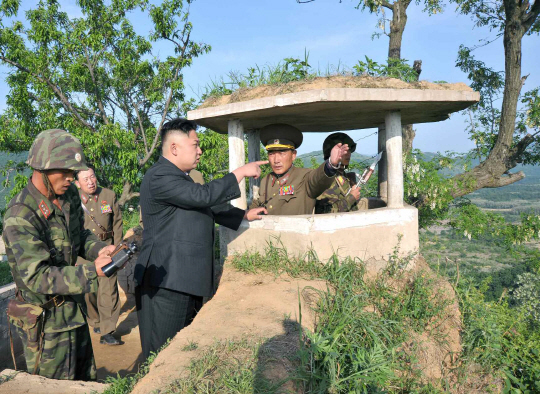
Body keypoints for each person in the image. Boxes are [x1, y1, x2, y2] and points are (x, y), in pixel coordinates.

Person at [134, 118, 267, 360]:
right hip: (166, 283)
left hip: (184, 280)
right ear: (174, 148)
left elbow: (205, 206)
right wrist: (239, 173)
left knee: (180, 354)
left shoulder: (180, 178)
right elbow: (202, 196)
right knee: (161, 355)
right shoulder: (160, 175)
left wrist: (243, 214)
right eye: (195, 145)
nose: (200, 150)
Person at [2, 129, 116, 380]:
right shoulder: (20, 215)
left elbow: (80, 236)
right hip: (46, 325)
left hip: (73, 312)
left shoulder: (69, 196)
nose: (70, 178)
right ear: (41, 169)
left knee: (85, 380)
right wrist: (91, 271)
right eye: (64, 171)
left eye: (72, 173)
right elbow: (37, 278)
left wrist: (99, 248)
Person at [250, 124, 350, 215]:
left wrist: (331, 165)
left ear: (293, 155)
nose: (276, 160)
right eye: (271, 154)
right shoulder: (266, 180)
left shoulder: (304, 177)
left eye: (282, 153)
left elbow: (318, 178)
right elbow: (257, 205)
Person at [75, 167, 123, 346]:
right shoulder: (74, 200)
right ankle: (95, 321)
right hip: (84, 254)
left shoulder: (109, 195)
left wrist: (117, 249)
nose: (90, 181)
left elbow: (117, 223)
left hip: (108, 249)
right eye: (85, 179)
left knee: (108, 291)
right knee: (89, 292)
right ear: (77, 183)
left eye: (92, 177)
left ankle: (107, 331)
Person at [315, 132, 369, 214]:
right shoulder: (327, 177)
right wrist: (352, 197)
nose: (348, 154)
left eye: (349, 150)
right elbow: (325, 213)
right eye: (344, 151)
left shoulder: (342, 174)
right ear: (332, 153)